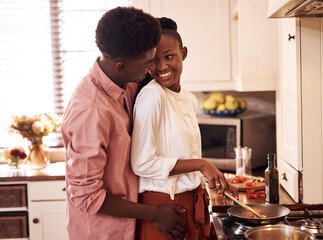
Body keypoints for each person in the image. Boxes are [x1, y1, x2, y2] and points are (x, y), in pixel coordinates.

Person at [61, 7, 187, 240]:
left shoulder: (125, 81)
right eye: (148, 62)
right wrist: (154, 214)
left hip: (131, 225)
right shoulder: (91, 111)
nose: (154, 68)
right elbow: (86, 196)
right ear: (121, 66)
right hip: (103, 233)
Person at [131, 17, 233, 240]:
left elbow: (182, 154)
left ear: (184, 53)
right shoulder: (151, 96)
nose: (162, 67)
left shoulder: (187, 98)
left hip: (190, 203)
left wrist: (213, 179)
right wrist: (202, 165)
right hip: (165, 210)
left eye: (169, 57)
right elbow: (141, 163)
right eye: (153, 61)